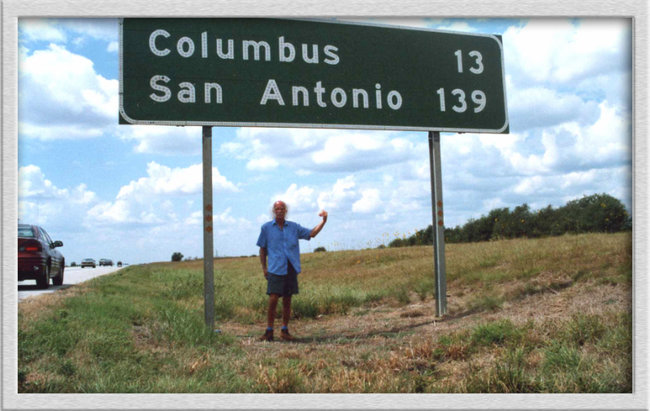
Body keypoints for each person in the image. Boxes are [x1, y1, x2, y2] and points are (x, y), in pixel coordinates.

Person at [256, 200, 328, 341]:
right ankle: (269, 331)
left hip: (290, 267)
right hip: (275, 268)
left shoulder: (294, 227)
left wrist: (324, 221)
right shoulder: (266, 228)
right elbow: (262, 249)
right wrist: (264, 268)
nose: (279, 210)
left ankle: (284, 330)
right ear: (273, 211)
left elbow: (312, 233)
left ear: (286, 211)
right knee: (273, 299)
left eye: (282, 208)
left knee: (287, 300)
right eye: (277, 208)